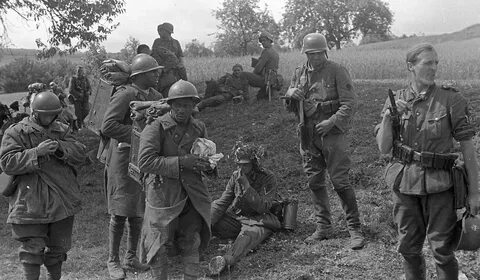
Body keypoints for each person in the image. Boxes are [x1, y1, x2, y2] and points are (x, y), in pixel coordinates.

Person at [375, 43, 480, 280]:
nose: (433, 68)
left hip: (440, 186)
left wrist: (475, 194)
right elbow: (383, 148)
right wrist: (389, 117)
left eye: (436, 63)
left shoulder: (450, 99)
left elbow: (468, 150)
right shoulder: (396, 100)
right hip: (404, 185)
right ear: (411, 66)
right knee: (409, 249)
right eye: (427, 63)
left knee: (442, 250)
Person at [283, 33, 365, 249]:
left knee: (340, 181)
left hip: (332, 134)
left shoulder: (337, 70)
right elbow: (290, 106)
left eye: (319, 53)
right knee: (314, 181)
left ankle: (354, 228)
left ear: (325, 52)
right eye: (311, 53)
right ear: (306, 54)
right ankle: (324, 227)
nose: (316, 57)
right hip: (308, 135)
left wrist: (332, 121)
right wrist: (291, 94)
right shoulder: (299, 73)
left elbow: (350, 103)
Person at [0, 91, 87, 280]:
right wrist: (35, 153)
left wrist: (61, 147)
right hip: (30, 201)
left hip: (61, 199)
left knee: (58, 249)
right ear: (35, 112)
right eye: (45, 114)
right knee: (32, 251)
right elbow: (7, 162)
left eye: (53, 114)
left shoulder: (62, 130)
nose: (49, 118)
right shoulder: (15, 132)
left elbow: (81, 154)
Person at [137, 80, 212, 280]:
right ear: (170, 105)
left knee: (192, 240)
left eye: (187, 105)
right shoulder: (155, 128)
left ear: (193, 106)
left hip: (191, 194)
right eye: (178, 105)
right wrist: (181, 162)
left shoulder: (198, 127)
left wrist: (209, 165)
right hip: (163, 194)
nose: (182, 110)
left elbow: (205, 155)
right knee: (157, 245)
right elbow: (144, 162)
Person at [101, 54, 164, 280]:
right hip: (121, 157)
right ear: (140, 75)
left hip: (143, 159)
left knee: (138, 210)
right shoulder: (126, 93)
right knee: (119, 211)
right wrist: (139, 135)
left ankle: (130, 257)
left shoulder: (156, 96)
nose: (158, 74)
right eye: (153, 71)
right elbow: (108, 125)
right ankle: (113, 260)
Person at [208, 142, 282, 276]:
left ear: (254, 164)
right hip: (237, 218)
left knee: (248, 236)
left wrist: (247, 186)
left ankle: (225, 261)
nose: (241, 168)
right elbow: (223, 202)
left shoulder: (268, 177)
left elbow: (263, 207)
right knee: (211, 210)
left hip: (259, 220)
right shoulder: (236, 176)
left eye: (245, 164)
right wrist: (206, 222)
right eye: (239, 164)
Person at [240, 31, 279, 100]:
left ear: (270, 40)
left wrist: (252, 76)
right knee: (259, 97)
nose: (262, 42)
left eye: (264, 40)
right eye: (261, 41)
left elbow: (258, 69)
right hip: (272, 80)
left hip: (265, 80)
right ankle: (268, 93)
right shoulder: (275, 52)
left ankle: (245, 97)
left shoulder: (266, 51)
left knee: (243, 74)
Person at [151, 22, 188, 96]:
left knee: (184, 84)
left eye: (162, 30)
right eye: (159, 31)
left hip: (175, 68)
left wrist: (181, 66)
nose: (159, 32)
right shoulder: (157, 42)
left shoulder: (175, 42)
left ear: (168, 32)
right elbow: (153, 55)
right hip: (161, 69)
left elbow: (180, 55)